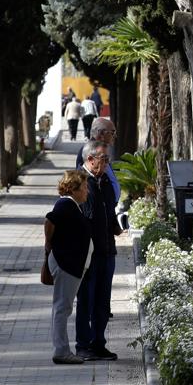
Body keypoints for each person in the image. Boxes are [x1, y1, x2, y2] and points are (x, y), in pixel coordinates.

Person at [74, 140, 122, 361]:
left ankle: (98, 343)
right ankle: (83, 345)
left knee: (103, 301)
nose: (106, 164)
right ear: (90, 159)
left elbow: (109, 210)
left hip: (107, 250)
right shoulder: (80, 183)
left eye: (107, 160)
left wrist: (115, 225)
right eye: (103, 160)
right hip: (87, 253)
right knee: (87, 300)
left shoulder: (104, 181)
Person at [45, 170, 93, 365]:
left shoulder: (72, 205)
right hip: (66, 264)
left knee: (63, 307)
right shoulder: (65, 205)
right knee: (62, 308)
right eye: (84, 187)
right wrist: (48, 246)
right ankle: (61, 351)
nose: (87, 191)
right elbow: (49, 221)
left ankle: (63, 349)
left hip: (71, 264)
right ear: (73, 189)